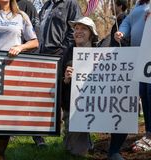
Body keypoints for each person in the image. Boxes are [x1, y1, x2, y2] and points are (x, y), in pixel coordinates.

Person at [0, 0, 39, 159]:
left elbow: (34, 41)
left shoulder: (21, 16)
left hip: (11, 74)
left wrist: (20, 47)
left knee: (3, 119)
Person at [114, 0, 151, 153]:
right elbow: (129, 21)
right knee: (144, 93)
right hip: (139, 57)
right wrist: (121, 31)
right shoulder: (137, 4)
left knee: (150, 91)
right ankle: (149, 132)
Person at [62, 16, 98, 156]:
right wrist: (65, 79)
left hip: (94, 106)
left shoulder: (100, 52)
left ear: (91, 33)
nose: (78, 31)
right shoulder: (68, 52)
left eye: (83, 28)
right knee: (74, 152)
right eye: (76, 28)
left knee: (79, 152)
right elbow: (60, 83)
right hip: (71, 106)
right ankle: (80, 140)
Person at [17, 0, 45, 147]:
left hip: (27, 59)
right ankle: (10, 131)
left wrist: (33, 58)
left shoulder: (27, 5)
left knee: (32, 97)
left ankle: (38, 136)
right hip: (5, 61)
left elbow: (36, 35)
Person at [108, 1, 130, 160]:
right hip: (115, 69)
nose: (111, 7)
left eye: (113, 4)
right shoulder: (117, 22)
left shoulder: (124, 21)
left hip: (125, 71)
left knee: (124, 108)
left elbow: (127, 43)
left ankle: (114, 149)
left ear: (120, 6)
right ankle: (112, 149)